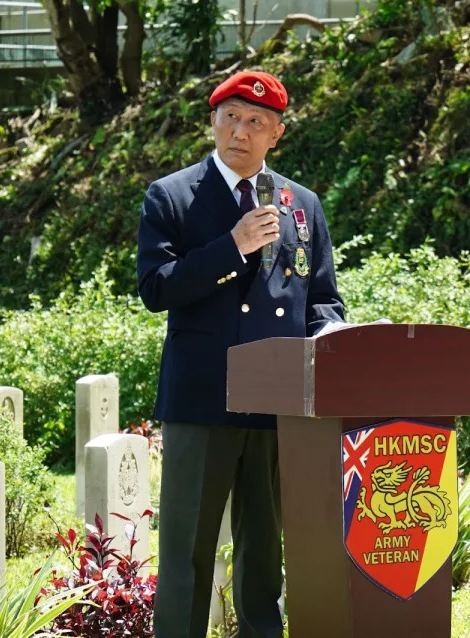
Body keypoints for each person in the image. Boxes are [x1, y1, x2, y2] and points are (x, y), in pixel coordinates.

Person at [137, 70, 345, 637]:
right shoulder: (173, 196)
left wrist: (329, 339)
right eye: (230, 117)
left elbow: (322, 298)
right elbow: (157, 288)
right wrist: (233, 246)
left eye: (256, 122)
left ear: (275, 134)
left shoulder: (302, 204)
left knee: (263, 559)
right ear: (212, 122)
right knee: (187, 555)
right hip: (204, 400)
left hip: (278, 404)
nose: (240, 132)